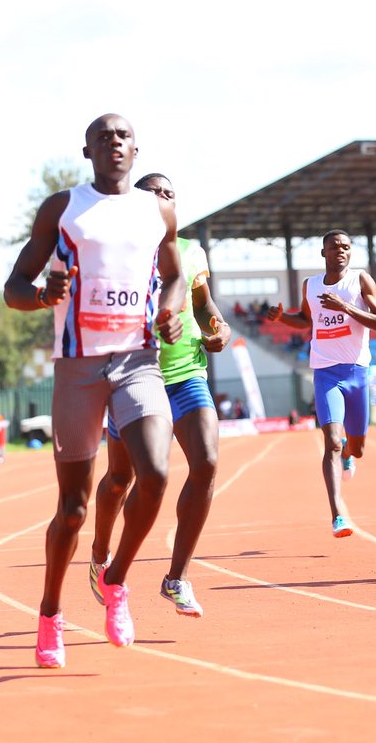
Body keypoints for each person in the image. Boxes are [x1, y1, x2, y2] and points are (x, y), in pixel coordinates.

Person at [3, 114, 184, 669]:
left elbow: (175, 276)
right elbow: (14, 289)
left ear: (136, 148)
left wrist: (171, 311)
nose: (114, 143)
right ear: (88, 151)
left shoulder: (158, 211)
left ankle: (116, 581)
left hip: (138, 361)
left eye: (122, 135)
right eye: (102, 136)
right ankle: (51, 614)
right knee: (74, 508)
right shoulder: (63, 209)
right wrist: (41, 295)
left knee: (153, 475)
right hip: (78, 366)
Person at [89, 173, 231, 620]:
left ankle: (177, 578)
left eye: (170, 194)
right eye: (154, 193)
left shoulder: (189, 250)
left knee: (206, 462)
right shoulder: (120, 248)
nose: (163, 199)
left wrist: (217, 327)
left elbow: (204, 302)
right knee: (120, 480)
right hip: (133, 374)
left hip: (186, 371)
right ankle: (100, 555)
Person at [267, 229, 376, 537]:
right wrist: (283, 318)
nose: (341, 251)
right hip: (325, 372)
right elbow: (305, 320)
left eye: (346, 247)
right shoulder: (310, 286)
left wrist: (346, 307)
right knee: (332, 440)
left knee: (357, 448)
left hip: (357, 373)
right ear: (324, 253)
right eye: (335, 247)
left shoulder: (361, 281)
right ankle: (338, 514)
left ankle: (350, 454)